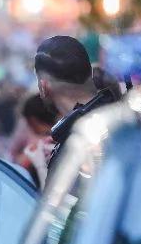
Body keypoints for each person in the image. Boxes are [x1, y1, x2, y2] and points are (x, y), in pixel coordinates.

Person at [34, 35, 118, 178]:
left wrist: (42, 167)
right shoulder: (121, 119)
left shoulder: (75, 145)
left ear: (44, 86)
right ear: (90, 71)